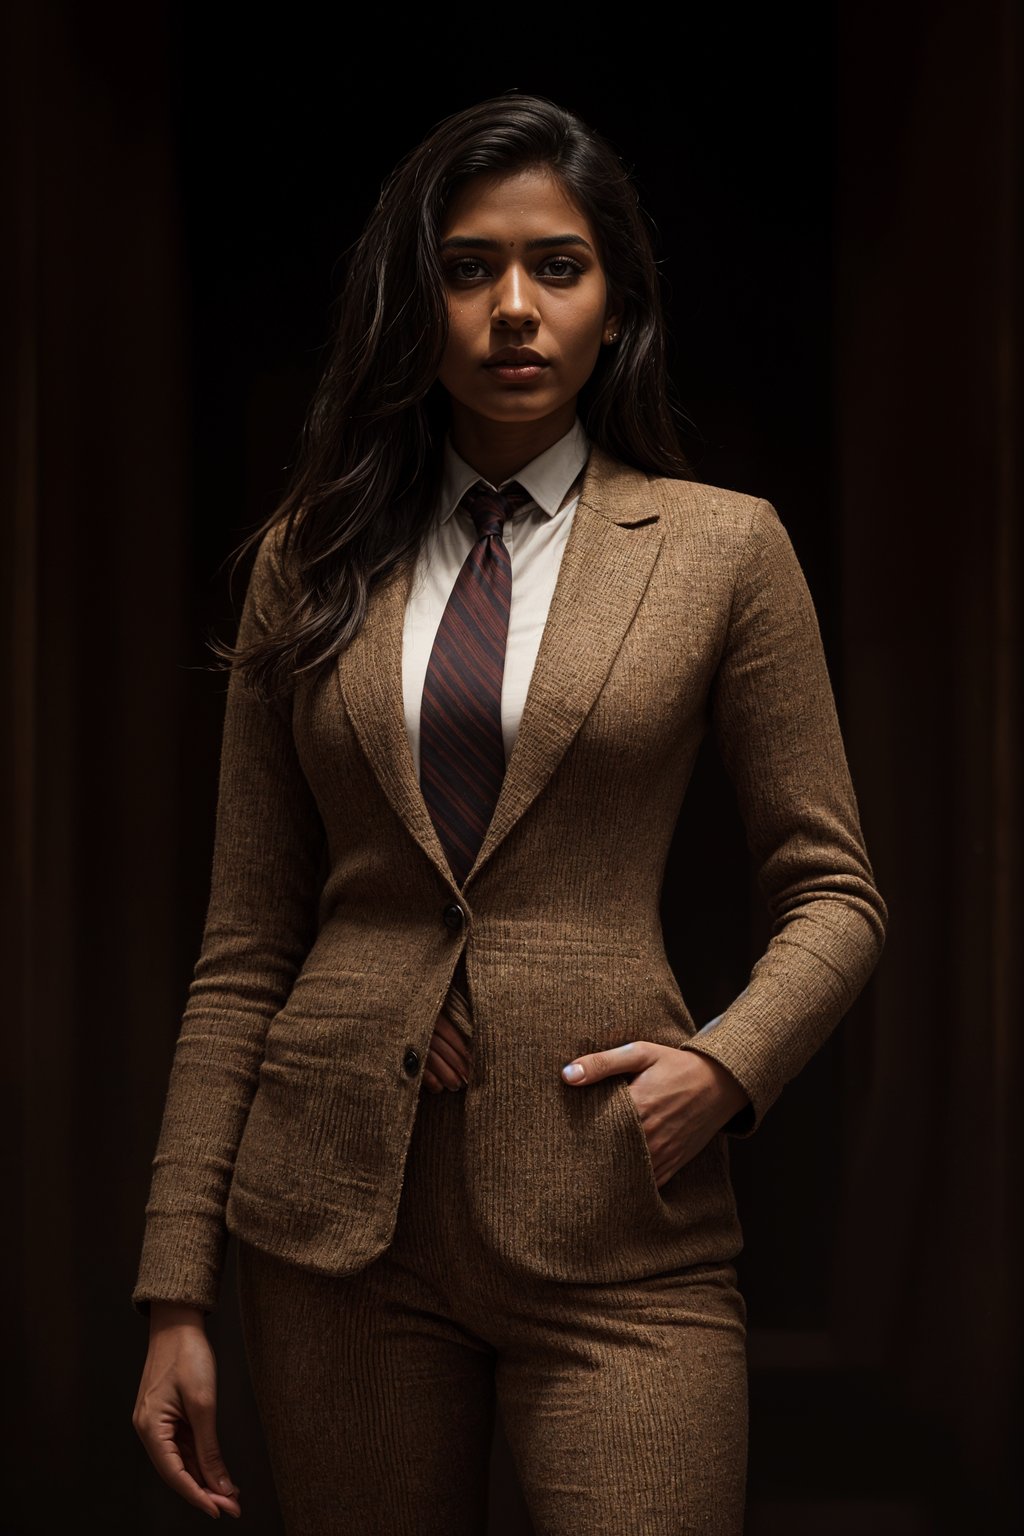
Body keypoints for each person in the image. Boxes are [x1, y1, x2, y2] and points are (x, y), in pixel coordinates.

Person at [130, 93, 888, 1534]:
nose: (514, 309)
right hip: (336, 1224)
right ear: (415, 303)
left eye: (559, 265)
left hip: (620, 1218)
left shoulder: (721, 547)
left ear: (619, 304)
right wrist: (175, 1287)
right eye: (469, 268)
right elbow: (243, 946)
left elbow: (836, 891)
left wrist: (724, 1070)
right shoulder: (309, 559)